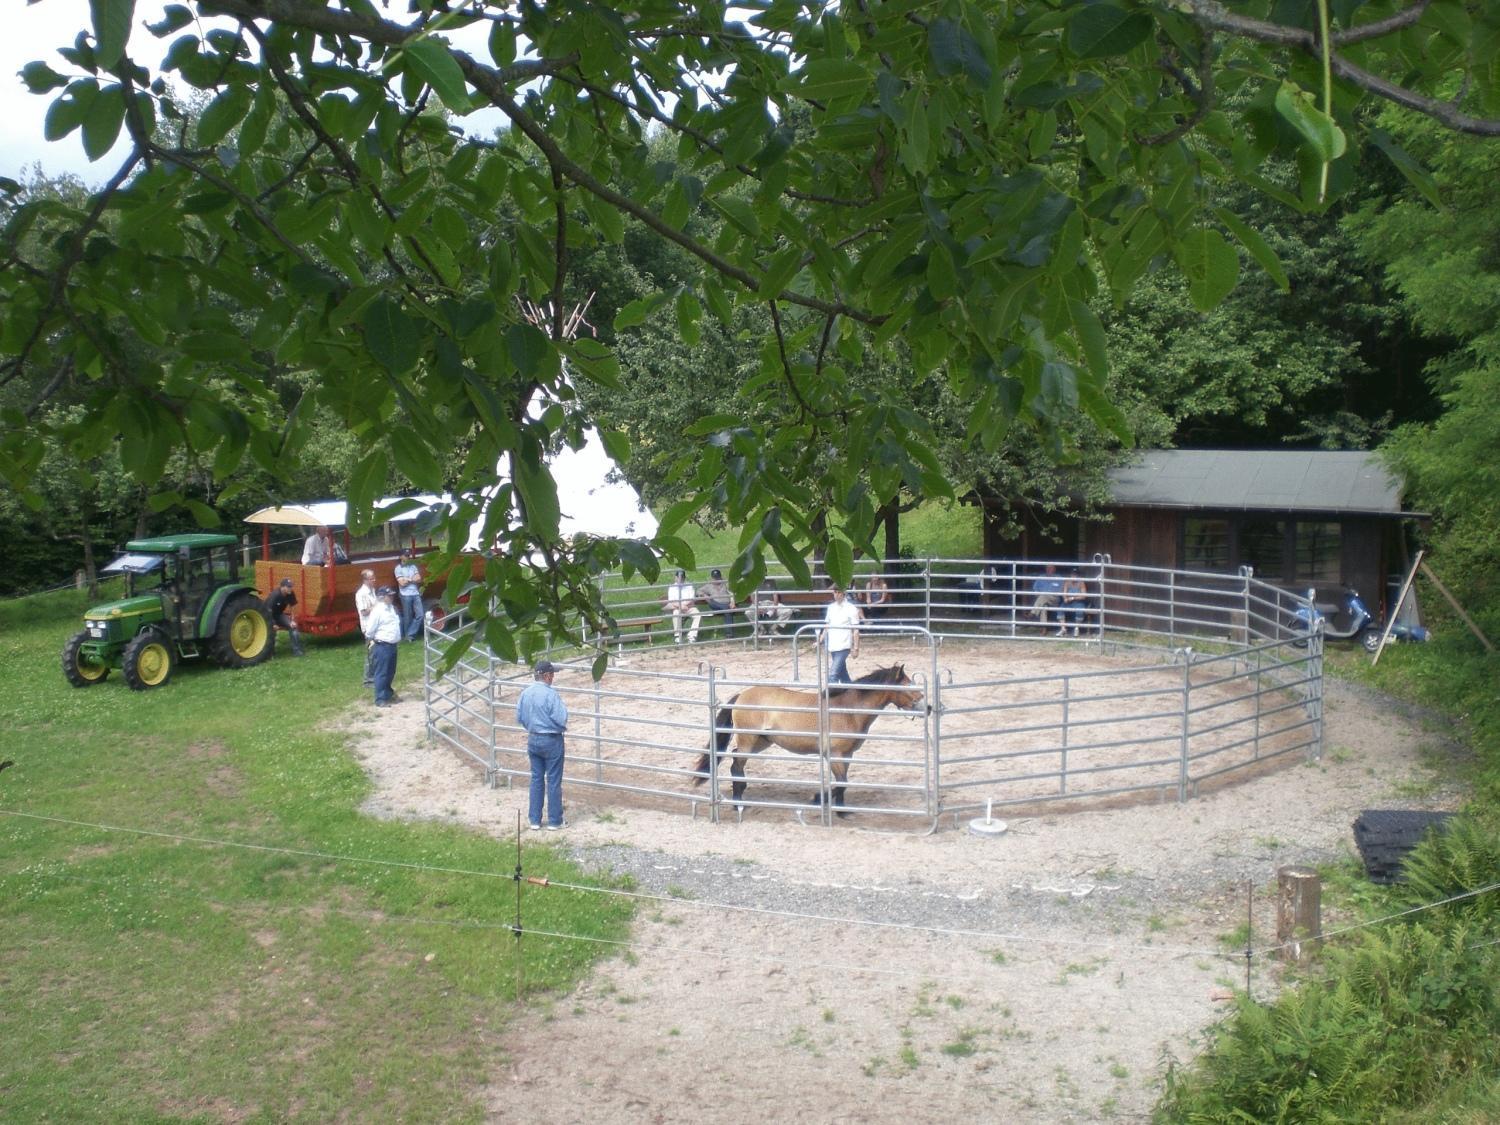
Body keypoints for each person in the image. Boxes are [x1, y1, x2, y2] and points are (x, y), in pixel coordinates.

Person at [516, 659, 569, 830]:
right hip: (551, 739)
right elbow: (561, 718)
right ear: (546, 676)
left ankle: (534, 820)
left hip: (533, 738)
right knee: (553, 780)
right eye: (552, 675)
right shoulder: (551, 694)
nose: (553, 678)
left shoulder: (525, 693)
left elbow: (520, 717)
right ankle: (555, 820)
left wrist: (532, 726)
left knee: (536, 778)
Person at [365, 586, 402, 707]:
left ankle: (388, 693)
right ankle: (380, 698)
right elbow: (370, 630)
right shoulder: (377, 611)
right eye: (389, 595)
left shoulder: (391, 608)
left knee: (390, 671)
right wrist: (372, 640)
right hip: (382, 645)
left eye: (391, 595)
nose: (392, 597)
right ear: (382, 597)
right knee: (382, 672)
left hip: (392, 644)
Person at [821, 584, 862, 685]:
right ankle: (851, 691)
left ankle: (830, 697)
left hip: (844, 645)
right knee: (843, 675)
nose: (836, 595)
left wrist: (856, 648)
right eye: (835, 592)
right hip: (833, 645)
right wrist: (820, 639)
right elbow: (827, 625)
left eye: (838, 592)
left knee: (833, 675)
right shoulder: (830, 607)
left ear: (843, 593)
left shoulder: (851, 608)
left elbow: (855, 630)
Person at [265, 577, 305, 656]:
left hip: (279, 614)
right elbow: (268, 611)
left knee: (293, 627)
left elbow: (293, 606)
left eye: (291, 586)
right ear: (282, 587)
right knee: (271, 631)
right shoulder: (275, 595)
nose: (290, 588)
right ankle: (270, 652)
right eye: (288, 587)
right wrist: (273, 624)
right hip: (267, 616)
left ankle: (297, 651)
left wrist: (292, 620)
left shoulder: (290, 593)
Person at [662, 568, 701, 644]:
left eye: (682, 577)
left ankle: (692, 636)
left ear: (684, 578)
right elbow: (672, 601)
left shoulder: (689, 586)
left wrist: (685, 605)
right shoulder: (672, 587)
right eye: (679, 577)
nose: (681, 579)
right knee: (676, 613)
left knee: (698, 615)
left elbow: (691, 598)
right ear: (675, 577)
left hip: (689, 607)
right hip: (677, 607)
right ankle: (677, 636)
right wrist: (681, 606)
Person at [393, 549, 425, 642]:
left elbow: (419, 579)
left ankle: (410, 634)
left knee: (420, 615)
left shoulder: (413, 566)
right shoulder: (398, 568)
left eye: (408, 555)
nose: (408, 557)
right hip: (405, 594)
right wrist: (412, 579)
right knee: (408, 616)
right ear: (401, 557)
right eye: (406, 555)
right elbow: (402, 583)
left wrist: (408, 579)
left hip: (415, 593)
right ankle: (408, 637)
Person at [354, 569, 379, 684]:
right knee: (371, 653)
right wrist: (376, 606)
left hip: (376, 625)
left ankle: (374, 676)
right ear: (365, 580)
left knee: (376, 653)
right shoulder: (361, 594)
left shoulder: (372, 590)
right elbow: (364, 612)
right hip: (368, 627)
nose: (374, 580)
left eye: (374, 578)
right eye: (372, 578)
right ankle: (368, 680)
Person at [701, 568, 735, 635]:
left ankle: (729, 634)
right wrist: (704, 595)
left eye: (718, 577)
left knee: (727, 610)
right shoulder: (709, 585)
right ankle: (729, 634)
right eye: (715, 578)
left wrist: (732, 601)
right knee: (727, 610)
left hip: (726, 604)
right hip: (715, 604)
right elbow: (699, 591)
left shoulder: (725, 583)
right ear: (712, 578)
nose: (717, 579)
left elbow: (732, 593)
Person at [1030, 563, 1064, 628]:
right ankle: (1044, 628)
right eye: (1047, 568)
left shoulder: (1059, 578)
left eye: (1051, 568)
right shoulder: (1040, 577)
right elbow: (1035, 590)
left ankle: (1032, 613)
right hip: (1042, 600)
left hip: (1054, 599)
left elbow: (1062, 591)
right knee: (1043, 607)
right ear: (1045, 569)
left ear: (1054, 569)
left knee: (1044, 595)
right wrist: (1038, 595)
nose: (1049, 569)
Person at [1060, 568, 1090, 637]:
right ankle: (1063, 629)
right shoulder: (1067, 582)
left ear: (1078, 576)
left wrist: (1073, 598)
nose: (1073, 576)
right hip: (1068, 602)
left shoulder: (1081, 583)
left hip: (1078, 602)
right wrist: (1065, 598)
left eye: (1075, 575)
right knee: (1060, 609)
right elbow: (1064, 592)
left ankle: (1076, 628)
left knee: (1079, 610)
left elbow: (1084, 596)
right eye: (1072, 575)